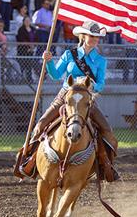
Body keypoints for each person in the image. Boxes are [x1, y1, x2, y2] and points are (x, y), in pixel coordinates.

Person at [32, 21, 120, 182]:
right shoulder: (68, 54)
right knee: (40, 124)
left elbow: (101, 83)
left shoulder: (101, 60)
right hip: (65, 96)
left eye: (97, 37)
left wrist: (92, 85)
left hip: (87, 99)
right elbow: (56, 75)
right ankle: (29, 160)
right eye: (91, 36)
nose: (94, 39)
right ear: (83, 36)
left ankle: (107, 165)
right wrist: (49, 61)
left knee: (107, 131)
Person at [16, 16, 39, 84]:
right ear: (23, 22)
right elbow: (21, 39)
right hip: (23, 50)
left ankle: (29, 79)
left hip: (31, 50)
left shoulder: (33, 29)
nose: (27, 22)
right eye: (26, 21)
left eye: (28, 21)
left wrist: (33, 46)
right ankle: (21, 79)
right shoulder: (21, 29)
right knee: (23, 65)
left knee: (29, 65)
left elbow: (36, 38)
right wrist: (28, 45)